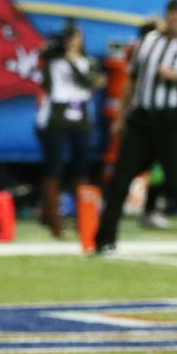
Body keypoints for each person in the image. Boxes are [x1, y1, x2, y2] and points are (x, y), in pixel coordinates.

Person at [93, 0, 177, 256]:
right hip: (142, 120)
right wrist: (121, 116)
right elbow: (132, 81)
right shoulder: (148, 41)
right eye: (171, 14)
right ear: (166, 16)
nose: (175, 19)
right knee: (120, 180)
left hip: (172, 120)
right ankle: (104, 241)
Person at [35, 22, 104, 238]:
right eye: (68, 38)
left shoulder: (88, 62)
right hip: (57, 117)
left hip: (81, 119)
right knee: (53, 167)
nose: (71, 42)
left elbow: (88, 82)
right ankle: (53, 220)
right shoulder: (53, 62)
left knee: (81, 168)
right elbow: (45, 83)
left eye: (75, 37)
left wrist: (72, 59)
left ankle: (83, 220)